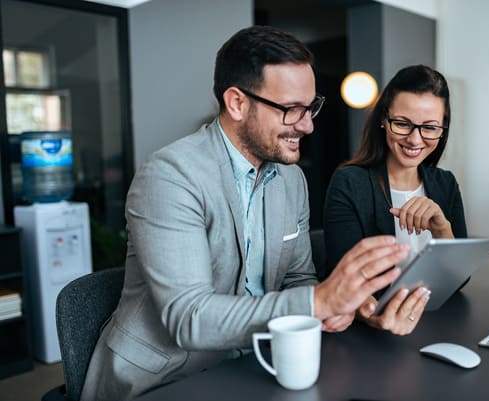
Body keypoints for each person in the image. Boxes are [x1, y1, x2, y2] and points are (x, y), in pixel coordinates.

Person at [80, 26, 410, 401]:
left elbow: (297, 277)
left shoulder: (291, 180)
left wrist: (345, 305)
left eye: (310, 106)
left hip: (253, 363)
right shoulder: (170, 176)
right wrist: (316, 302)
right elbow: (189, 318)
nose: (307, 125)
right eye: (291, 110)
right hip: (163, 380)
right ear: (237, 103)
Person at [321, 64, 467, 335]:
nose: (415, 139)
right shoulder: (350, 182)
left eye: (430, 128)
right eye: (402, 124)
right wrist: (372, 315)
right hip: (374, 332)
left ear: (443, 128)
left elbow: (458, 280)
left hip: (437, 323)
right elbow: (342, 281)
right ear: (383, 119)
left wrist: (442, 228)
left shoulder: (445, 183)